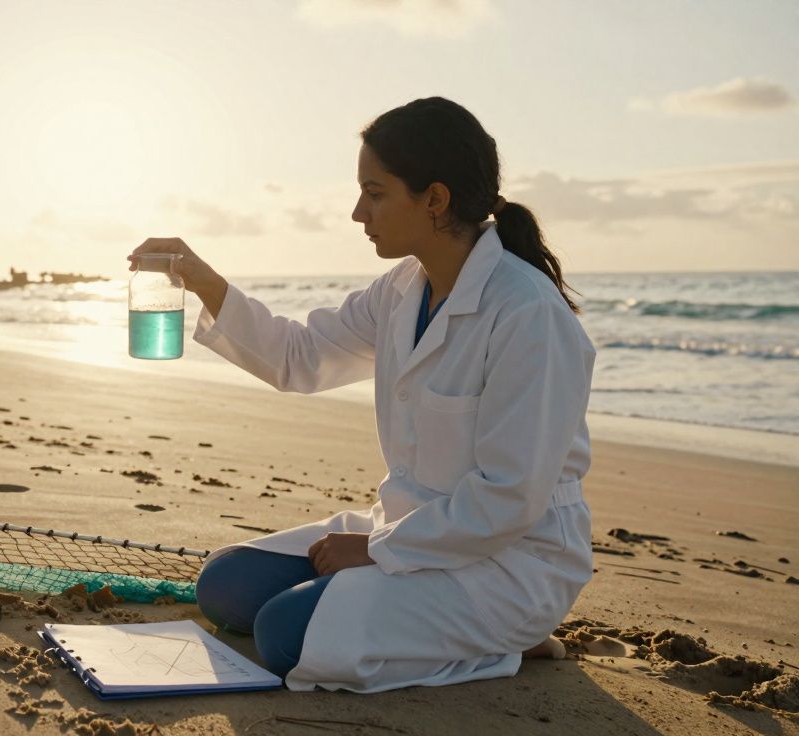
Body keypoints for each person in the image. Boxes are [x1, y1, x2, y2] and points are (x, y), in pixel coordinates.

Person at [127, 97, 595, 694]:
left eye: (374, 193)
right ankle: (424, 620)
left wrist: (377, 549)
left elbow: (508, 501)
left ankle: (511, 638)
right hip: (413, 530)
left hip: (509, 563)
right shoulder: (402, 289)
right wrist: (201, 279)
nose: (357, 212)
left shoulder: (529, 315)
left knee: (283, 637)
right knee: (226, 585)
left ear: (435, 199)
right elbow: (299, 358)